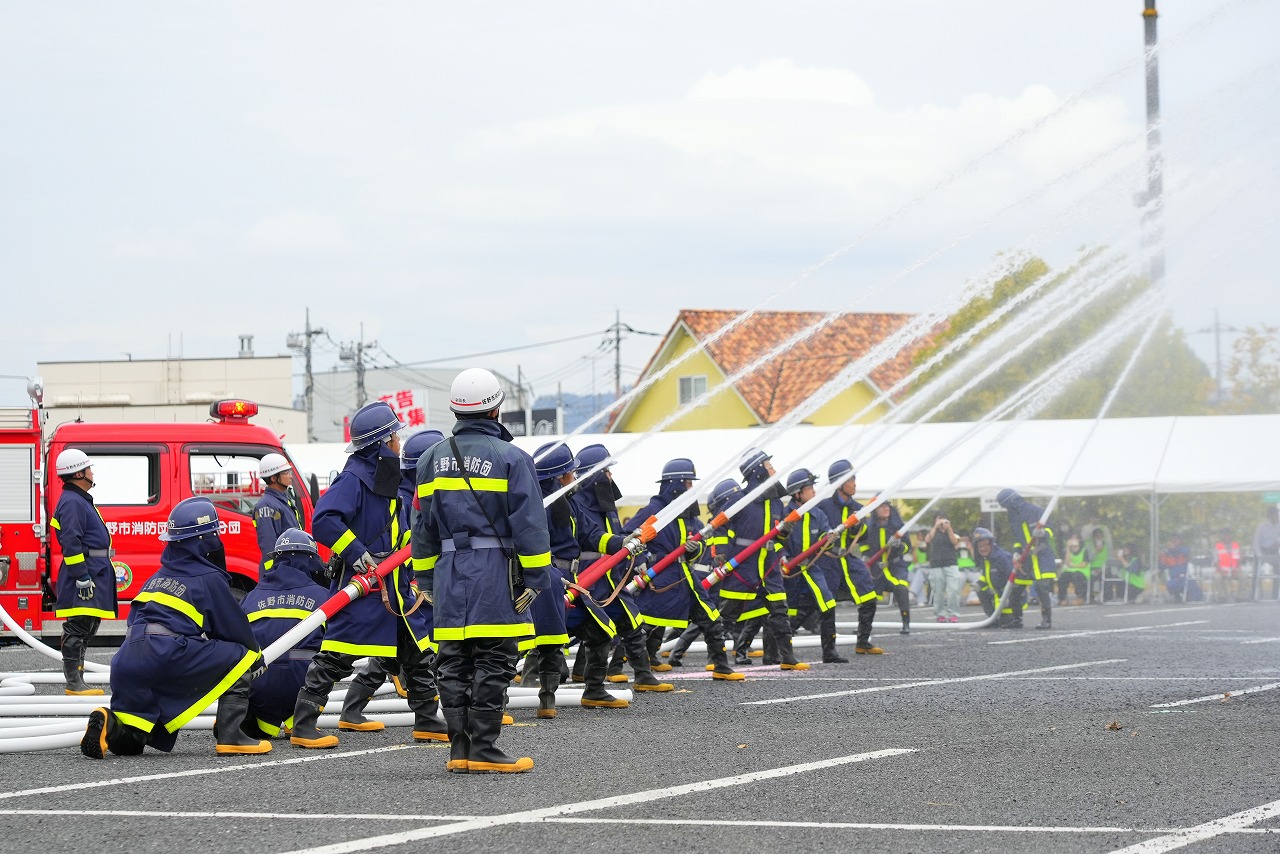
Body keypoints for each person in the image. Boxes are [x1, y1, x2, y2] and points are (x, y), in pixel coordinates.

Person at [412, 368, 552, 774]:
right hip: (496, 572)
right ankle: (485, 747)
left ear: (456, 409)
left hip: (448, 570)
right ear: (496, 409)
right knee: (495, 657)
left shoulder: (430, 458)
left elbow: (421, 527)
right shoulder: (512, 458)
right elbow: (529, 526)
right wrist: (538, 578)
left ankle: (459, 749)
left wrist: (424, 579)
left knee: (453, 659)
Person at [291, 400, 445, 750]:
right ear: (380, 443)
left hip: (394, 584)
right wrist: (357, 552)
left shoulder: (383, 478)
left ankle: (427, 720)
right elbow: (324, 520)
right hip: (365, 585)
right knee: (337, 654)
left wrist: (414, 551)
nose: (399, 443)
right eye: (395, 436)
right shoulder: (353, 479)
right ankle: (303, 722)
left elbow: (397, 531)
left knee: (417, 652)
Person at [81, 497, 269, 758]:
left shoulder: (156, 578)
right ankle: (231, 736)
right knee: (240, 655)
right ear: (204, 540)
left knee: (133, 741)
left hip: (126, 661)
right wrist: (256, 658)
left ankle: (107, 723)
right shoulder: (208, 577)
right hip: (165, 652)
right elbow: (234, 629)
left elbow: (134, 620)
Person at [340, 429, 444, 732]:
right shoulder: (406, 496)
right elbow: (409, 545)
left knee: (407, 650)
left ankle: (423, 717)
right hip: (404, 587)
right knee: (383, 649)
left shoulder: (412, 492)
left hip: (407, 587)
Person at [570, 443, 675, 693]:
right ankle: (561, 675)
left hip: (610, 577)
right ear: (595, 475)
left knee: (631, 622)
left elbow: (618, 538)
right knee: (586, 629)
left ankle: (643, 675)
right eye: (607, 471)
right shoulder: (576, 504)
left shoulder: (606, 505)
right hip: (587, 577)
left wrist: (633, 558)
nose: (611, 476)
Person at [628, 459, 746, 681]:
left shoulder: (687, 512)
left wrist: (694, 548)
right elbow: (628, 536)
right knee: (646, 623)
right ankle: (621, 668)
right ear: (676, 484)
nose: (691, 489)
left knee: (710, 616)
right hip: (661, 576)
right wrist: (641, 559)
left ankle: (721, 665)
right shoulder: (655, 509)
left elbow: (699, 538)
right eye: (689, 483)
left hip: (685, 576)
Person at [529, 441, 624, 712]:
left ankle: (594, 691)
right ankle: (541, 701)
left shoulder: (568, 503)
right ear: (559, 477)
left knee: (601, 631)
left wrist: (625, 542)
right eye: (571, 472)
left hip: (569, 582)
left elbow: (591, 535)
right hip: (546, 582)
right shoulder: (540, 506)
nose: (575, 476)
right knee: (542, 641)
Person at [717, 449, 808, 670]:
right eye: (769, 466)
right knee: (728, 615)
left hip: (769, 566)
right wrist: (720, 552)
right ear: (758, 471)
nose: (774, 470)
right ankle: (716, 659)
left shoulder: (777, 503)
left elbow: (778, 538)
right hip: (742, 566)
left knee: (779, 611)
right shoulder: (739, 500)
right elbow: (719, 526)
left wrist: (785, 532)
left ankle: (787, 657)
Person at [240, 528, 330, 739]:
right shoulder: (324, 597)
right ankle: (302, 721)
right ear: (311, 560)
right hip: (304, 686)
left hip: (259, 687)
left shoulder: (250, 598)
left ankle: (244, 717)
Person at [50, 448, 117, 696]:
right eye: (89, 468)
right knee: (78, 626)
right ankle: (74, 683)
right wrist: (81, 576)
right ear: (79, 473)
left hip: (93, 571)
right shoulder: (73, 502)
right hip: (86, 572)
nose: (92, 472)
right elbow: (71, 542)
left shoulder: (77, 500)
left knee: (87, 625)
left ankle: (78, 680)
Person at [816, 460, 882, 654]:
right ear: (840, 483)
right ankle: (825, 650)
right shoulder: (823, 506)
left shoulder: (859, 509)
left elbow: (864, 537)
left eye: (854, 479)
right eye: (851, 479)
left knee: (869, 597)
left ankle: (863, 642)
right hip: (826, 562)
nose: (855, 483)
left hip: (849, 561)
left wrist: (855, 528)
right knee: (822, 606)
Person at [781, 469, 845, 663]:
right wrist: (782, 556)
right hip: (789, 571)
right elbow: (776, 540)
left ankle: (829, 652)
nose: (814, 492)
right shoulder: (785, 515)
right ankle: (779, 653)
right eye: (809, 488)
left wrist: (832, 539)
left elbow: (826, 539)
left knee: (828, 605)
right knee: (784, 613)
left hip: (811, 570)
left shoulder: (818, 514)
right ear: (797, 493)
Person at [996, 489, 1057, 630]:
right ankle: (1017, 619)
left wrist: (1043, 533)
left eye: (1006, 506)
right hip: (1026, 559)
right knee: (1015, 589)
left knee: (1042, 589)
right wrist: (1016, 552)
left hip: (1041, 557)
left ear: (1012, 502)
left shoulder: (1036, 511)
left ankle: (1046, 621)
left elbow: (1051, 530)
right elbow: (1017, 538)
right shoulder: (1012, 517)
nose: (1006, 510)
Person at [865, 501, 911, 634]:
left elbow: (907, 547)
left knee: (902, 589)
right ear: (875, 510)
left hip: (895, 567)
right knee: (867, 596)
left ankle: (906, 623)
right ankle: (864, 628)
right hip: (875, 569)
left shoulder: (898, 527)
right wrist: (866, 558)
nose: (885, 509)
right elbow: (864, 546)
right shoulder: (869, 527)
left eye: (887, 506)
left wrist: (898, 546)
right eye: (881, 506)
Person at [252, 453, 303, 575]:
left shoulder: (283, 500)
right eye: (286, 473)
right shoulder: (266, 506)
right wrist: (274, 574)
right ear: (274, 478)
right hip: (280, 572)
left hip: (291, 566)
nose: (291, 476)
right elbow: (268, 544)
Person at [972, 527, 1015, 628]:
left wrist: (1007, 595)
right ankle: (992, 618)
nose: (982, 549)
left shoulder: (1002, 558)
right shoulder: (986, 559)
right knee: (981, 590)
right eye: (979, 546)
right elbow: (986, 576)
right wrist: (978, 585)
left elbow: (1013, 579)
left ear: (991, 544)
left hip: (1010, 598)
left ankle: (1010, 617)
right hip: (998, 598)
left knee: (1007, 622)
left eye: (984, 545)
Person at [924, 513, 961, 623]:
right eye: (939, 519)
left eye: (944, 520)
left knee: (953, 589)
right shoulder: (933, 532)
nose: (941, 522)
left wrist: (948, 529)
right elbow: (927, 540)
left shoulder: (952, 531)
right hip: (936, 564)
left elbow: (955, 542)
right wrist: (935, 527)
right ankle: (940, 614)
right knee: (938, 591)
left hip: (951, 563)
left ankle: (953, 613)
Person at [1058, 536, 1090, 606]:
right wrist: (1068, 549)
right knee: (1063, 578)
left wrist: (1073, 565)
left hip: (1082, 571)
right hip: (1070, 571)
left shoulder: (1084, 551)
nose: (1073, 548)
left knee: (1077, 577)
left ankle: (1080, 598)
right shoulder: (1068, 551)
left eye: (1075, 546)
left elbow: (1084, 564)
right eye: (1072, 546)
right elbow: (1067, 562)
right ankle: (1062, 598)